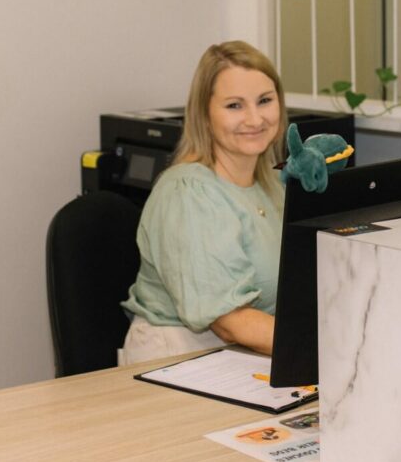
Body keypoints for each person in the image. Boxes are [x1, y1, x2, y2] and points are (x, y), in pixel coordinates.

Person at [118, 40, 287, 365]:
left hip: (247, 355)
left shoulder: (271, 184)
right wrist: (330, 349)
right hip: (178, 357)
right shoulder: (188, 193)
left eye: (265, 100)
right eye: (234, 106)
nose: (255, 119)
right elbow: (230, 322)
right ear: (205, 114)